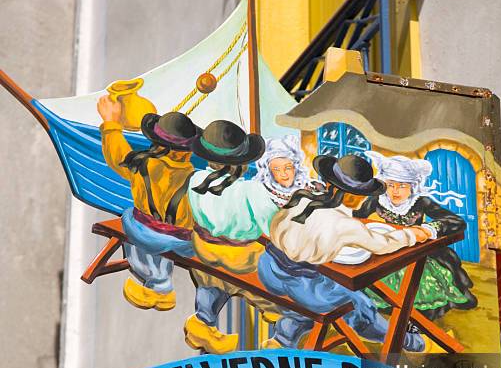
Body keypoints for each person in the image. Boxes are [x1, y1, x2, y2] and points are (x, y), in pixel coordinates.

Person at [257, 154, 427, 351]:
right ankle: (411, 342)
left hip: (268, 268)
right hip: (301, 283)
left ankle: (282, 338)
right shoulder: (345, 224)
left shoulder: (302, 199)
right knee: (360, 305)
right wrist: (411, 235)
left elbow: (277, 227)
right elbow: (382, 244)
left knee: (312, 296)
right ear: (353, 197)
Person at [185, 130, 320, 353]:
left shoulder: (195, 179)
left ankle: (203, 320)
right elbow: (274, 231)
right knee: (302, 306)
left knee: (213, 280)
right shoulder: (250, 190)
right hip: (243, 262)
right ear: (242, 164)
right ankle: (281, 341)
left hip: (204, 252)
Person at [97, 96, 201, 310]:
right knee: (165, 233)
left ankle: (159, 286)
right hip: (184, 243)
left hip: (147, 234)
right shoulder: (196, 178)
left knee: (132, 218)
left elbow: (117, 155)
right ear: (189, 150)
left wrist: (111, 124)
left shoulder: (143, 164)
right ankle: (160, 286)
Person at [355, 152, 477, 321]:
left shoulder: (420, 202)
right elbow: (357, 217)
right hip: (390, 250)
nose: (396, 191)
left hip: (418, 253)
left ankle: (416, 317)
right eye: (391, 185)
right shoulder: (377, 200)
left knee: (419, 285)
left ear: (412, 186)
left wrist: (428, 229)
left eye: (402, 186)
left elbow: (455, 221)